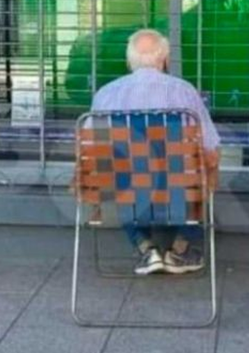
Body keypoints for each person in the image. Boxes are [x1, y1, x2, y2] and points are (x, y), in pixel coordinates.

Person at [90, 29, 221, 275]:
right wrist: (211, 176)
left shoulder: (106, 94)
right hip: (178, 188)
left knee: (117, 172)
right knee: (202, 171)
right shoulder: (184, 91)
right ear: (165, 59)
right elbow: (210, 150)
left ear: (129, 61)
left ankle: (145, 248)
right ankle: (180, 249)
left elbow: (93, 152)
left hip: (128, 189)